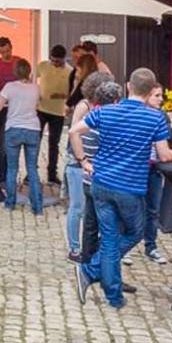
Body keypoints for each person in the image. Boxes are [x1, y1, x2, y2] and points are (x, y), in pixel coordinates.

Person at [69, 68, 172, 308]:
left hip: (101, 182)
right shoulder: (155, 118)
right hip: (129, 186)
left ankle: (113, 295)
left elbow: (73, 131)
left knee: (110, 237)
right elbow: (164, 155)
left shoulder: (107, 111)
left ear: (128, 86)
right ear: (151, 90)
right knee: (135, 232)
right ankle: (91, 271)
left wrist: (83, 161)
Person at [64, 71, 113, 263]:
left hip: (93, 163)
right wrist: (82, 158)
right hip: (78, 162)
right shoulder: (84, 106)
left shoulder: (102, 108)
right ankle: (74, 247)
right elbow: (74, 132)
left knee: (90, 210)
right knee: (77, 207)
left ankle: (91, 246)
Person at [0, 59, 43, 214]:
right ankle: (37, 207)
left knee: (12, 168)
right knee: (32, 168)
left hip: (14, 128)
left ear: (15, 72)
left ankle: (10, 203)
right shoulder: (36, 88)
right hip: (33, 128)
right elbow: (37, 105)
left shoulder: (9, 87)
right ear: (29, 72)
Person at [134, 85, 170, 266]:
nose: (161, 99)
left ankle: (151, 245)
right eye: (157, 95)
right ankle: (126, 247)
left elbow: (165, 142)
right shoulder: (137, 115)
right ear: (146, 96)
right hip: (137, 168)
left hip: (154, 167)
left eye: (161, 95)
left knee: (153, 209)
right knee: (132, 207)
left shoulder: (161, 116)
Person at [36, 45, 70, 185]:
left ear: (64, 59)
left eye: (58, 61)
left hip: (58, 112)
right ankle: (31, 173)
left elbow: (72, 92)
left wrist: (62, 96)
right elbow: (32, 80)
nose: (55, 63)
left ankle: (52, 174)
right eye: (53, 60)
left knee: (54, 144)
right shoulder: (43, 66)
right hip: (40, 109)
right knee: (35, 141)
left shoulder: (70, 71)